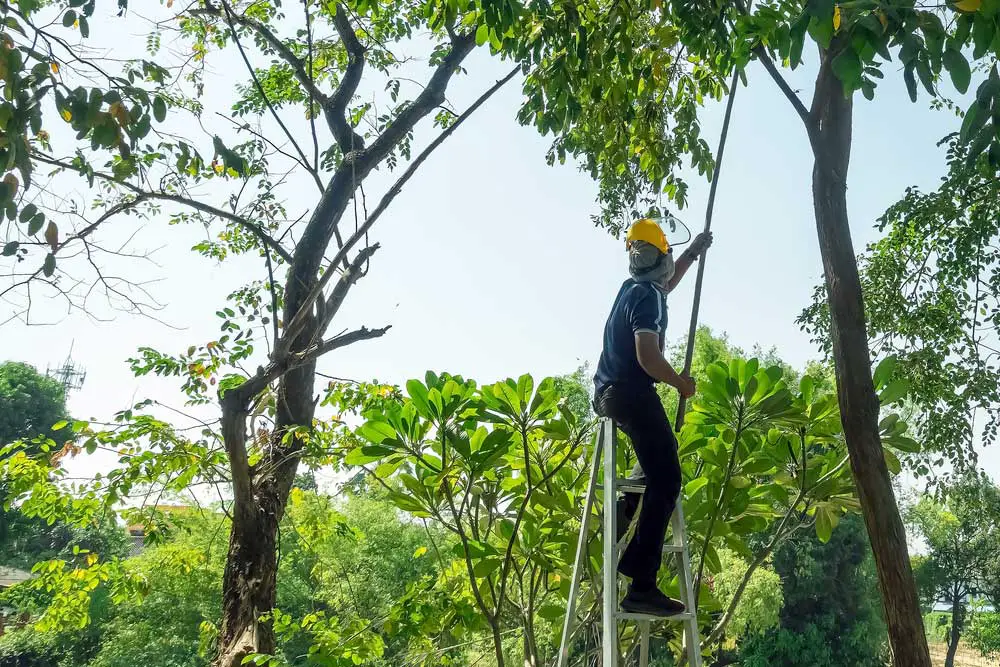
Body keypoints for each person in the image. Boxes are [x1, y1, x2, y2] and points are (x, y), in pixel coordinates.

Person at [593, 217, 712, 616]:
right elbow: (647, 356)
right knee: (669, 476)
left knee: (657, 460)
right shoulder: (647, 298)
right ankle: (641, 583)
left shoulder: (633, 289)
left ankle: (627, 507)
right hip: (631, 392)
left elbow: (666, 283)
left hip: (608, 393)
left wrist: (694, 252)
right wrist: (679, 382)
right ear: (661, 256)